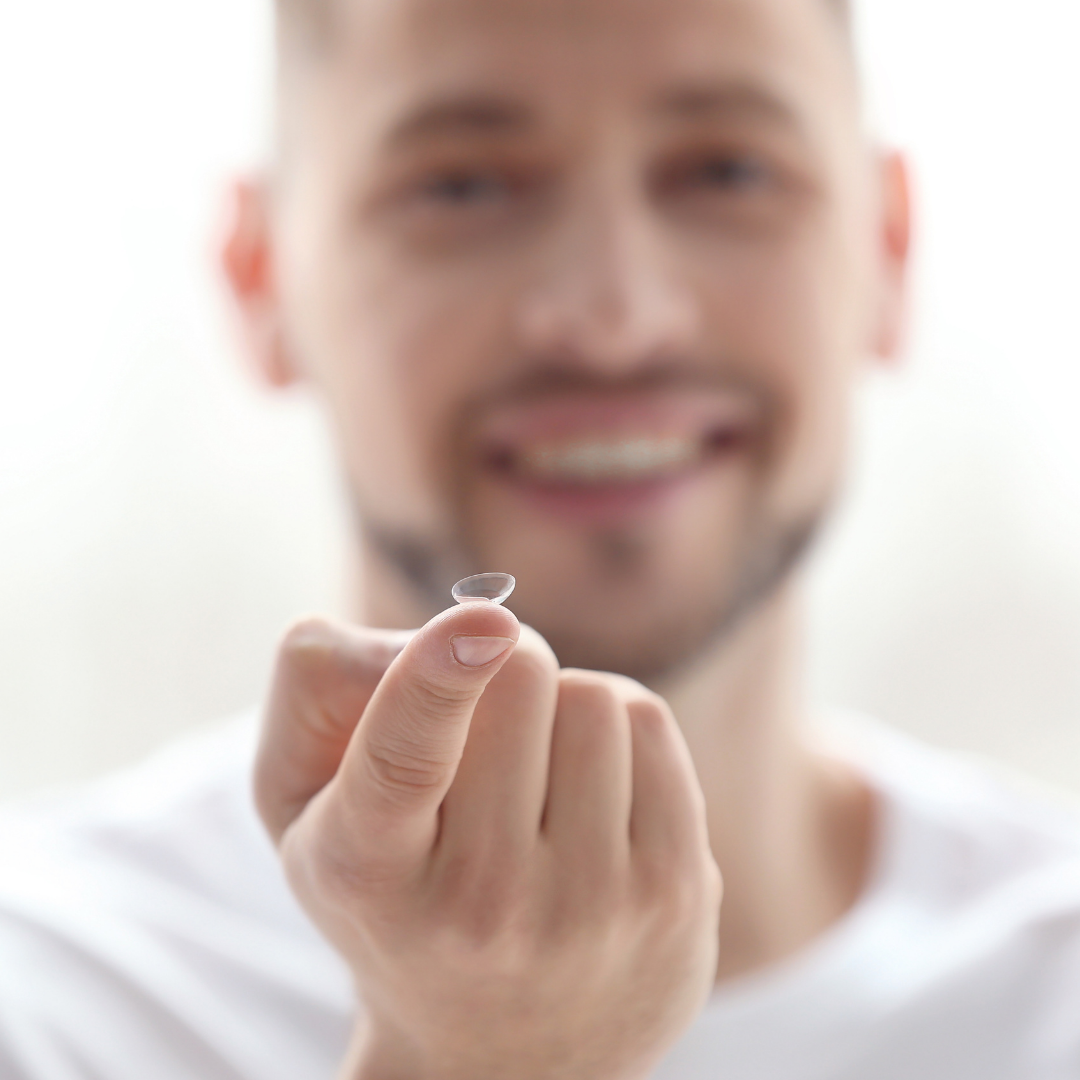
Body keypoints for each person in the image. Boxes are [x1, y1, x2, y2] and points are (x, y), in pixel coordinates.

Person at [2, 0, 1080, 1076]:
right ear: (260, 277)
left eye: (729, 172)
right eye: (462, 187)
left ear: (888, 249)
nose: (615, 318)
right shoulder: (49, 997)